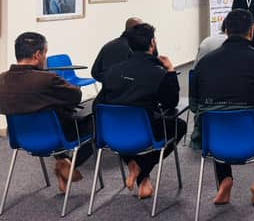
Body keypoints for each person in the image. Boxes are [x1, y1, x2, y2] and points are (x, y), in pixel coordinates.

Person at [190, 9, 254, 207]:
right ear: (252, 31)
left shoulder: (204, 63)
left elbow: (194, 105)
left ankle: (224, 180)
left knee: (215, 116)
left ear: (226, 30)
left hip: (214, 141)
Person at [96, 23, 186, 199]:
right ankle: (142, 169)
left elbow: (103, 101)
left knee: (124, 121)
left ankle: (135, 168)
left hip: (111, 135)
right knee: (179, 126)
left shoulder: (112, 71)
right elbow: (171, 103)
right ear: (152, 43)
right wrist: (170, 71)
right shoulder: (157, 73)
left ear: (129, 46)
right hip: (144, 135)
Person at [0, 32, 94, 193]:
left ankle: (62, 159)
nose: (45, 58)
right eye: (45, 53)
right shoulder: (47, 79)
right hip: (54, 137)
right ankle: (67, 162)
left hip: (20, 138)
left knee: (49, 116)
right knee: (93, 120)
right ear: (37, 55)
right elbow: (76, 96)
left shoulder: (2, 80)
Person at [91, 16, 142, 82]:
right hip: (129, 87)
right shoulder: (136, 48)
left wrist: (108, 81)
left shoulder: (108, 46)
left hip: (108, 87)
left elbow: (95, 72)